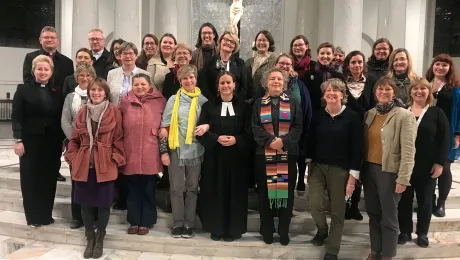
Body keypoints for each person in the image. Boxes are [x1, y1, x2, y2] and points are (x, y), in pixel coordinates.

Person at [65, 78, 125, 259]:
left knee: (103, 204)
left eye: (100, 90)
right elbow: (74, 139)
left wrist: (114, 159)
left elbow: (119, 138)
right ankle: (89, 237)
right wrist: (73, 158)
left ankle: (100, 237)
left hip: (105, 164)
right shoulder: (83, 111)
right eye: (93, 90)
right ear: (89, 92)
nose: (96, 93)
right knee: (85, 203)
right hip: (84, 164)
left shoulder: (114, 112)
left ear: (105, 93)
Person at [307, 78, 362, 260]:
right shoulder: (318, 116)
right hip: (318, 166)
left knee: (338, 211)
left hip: (341, 169)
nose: (331, 93)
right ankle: (322, 231)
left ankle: (333, 249)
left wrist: (353, 177)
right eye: (327, 90)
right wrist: (308, 165)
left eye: (335, 90)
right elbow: (311, 141)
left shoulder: (352, 118)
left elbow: (357, 148)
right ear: (324, 95)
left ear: (342, 95)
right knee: (314, 204)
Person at [363, 76, 417, 260]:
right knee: (373, 213)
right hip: (369, 170)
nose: (383, 92)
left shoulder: (404, 115)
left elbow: (409, 150)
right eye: (380, 89)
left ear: (394, 92)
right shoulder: (370, 114)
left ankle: (388, 255)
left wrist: (403, 178)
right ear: (375, 91)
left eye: (387, 89)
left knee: (389, 216)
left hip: (389, 172)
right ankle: (375, 251)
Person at [197, 71, 252, 242]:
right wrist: (216, 138)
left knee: (235, 194)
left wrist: (237, 139)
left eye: (229, 82)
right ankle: (217, 228)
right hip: (215, 157)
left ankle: (233, 230)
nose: (225, 86)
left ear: (235, 85)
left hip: (237, 158)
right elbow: (200, 132)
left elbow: (250, 133)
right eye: (222, 83)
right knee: (215, 192)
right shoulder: (208, 107)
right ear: (218, 86)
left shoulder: (245, 107)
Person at [252, 68, 302, 246]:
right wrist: (271, 141)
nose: (275, 81)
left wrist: (283, 142)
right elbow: (255, 126)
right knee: (265, 194)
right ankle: (267, 229)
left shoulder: (294, 102)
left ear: (284, 83)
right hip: (263, 155)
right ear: (266, 82)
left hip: (287, 154)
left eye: (279, 79)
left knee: (286, 195)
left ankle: (283, 230)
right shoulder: (258, 103)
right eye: (272, 78)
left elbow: (298, 127)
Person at [13, 55, 65, 227]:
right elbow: (17, 116)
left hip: (52, 143)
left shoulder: (57, 92)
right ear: (33, 70)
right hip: (30, 141)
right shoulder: (23, 89)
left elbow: (60, 117)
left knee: (49, 178)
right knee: (30, 178)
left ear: (51, 72)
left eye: (46, 69)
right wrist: (18, 139)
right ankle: (33, 217)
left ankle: (46, 215)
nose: (43, 72)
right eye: (39, 69)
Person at [397, 79, 449, 248]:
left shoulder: (437, 113)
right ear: (410, 92)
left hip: (427, 166)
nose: (419, 91)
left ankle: (422, 233)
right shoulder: (402, 111)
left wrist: (440, 163)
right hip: (405, 166)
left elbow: (444, 139)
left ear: (429, 92)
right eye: (415, 89)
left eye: (423, 89)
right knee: (404, 200)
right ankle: (404, 231)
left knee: (425, 201)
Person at [160, 64, 208, 239]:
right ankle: (178, 223)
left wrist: (207, 125)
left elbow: (209, 122)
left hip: (196, 150)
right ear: (180, 81)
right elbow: (164, 126)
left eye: (191, 77)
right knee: (176, 189)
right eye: (185, 78)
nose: (189, 81)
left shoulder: (203, 100)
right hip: (176, 149)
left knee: (192, 189)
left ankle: (189, 224)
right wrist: (163, 152)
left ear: (196, 79)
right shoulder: (173, 100)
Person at [22, 26, 73, 182]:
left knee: (55, 142)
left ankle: (54, 169)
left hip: (57, 108)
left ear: (57, 40)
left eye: (52, 37)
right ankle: (36, 168)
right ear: (40, 40)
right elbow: (28, 80)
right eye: (46, 37)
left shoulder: (66, 62)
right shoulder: (30, 57)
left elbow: (68, 84)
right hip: (36, 107)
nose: (49, 40)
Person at [119, 73, 166, 235]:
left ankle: (146, 221)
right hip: (130, 150)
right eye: (136, 85)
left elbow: (165, 124)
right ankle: (134, 221)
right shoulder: (124, 101)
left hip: (150, 150)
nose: (139, 87)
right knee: (132, 189)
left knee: (148, 188)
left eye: (143, 84)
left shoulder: (160, 101)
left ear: (149, 85)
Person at [341, 50, 377, 220]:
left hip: (366, 130)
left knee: (360, 166)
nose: (356, 65)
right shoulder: (341, 82)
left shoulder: (371, 81)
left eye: (359, 62)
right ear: (348, 64)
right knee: (346, 166)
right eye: (353, 62)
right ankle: (345, 204)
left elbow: (376, 105)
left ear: (364, 64)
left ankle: (354, 205)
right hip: (345, 130)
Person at [61, 64, 96, 229]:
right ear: (77, 78)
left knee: (93, 181)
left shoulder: (98, 95)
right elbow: (65, 121)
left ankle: (93, 215)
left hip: (94, 146)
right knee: (77, 181)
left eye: (88, 76)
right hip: (75, 146)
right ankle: (77, 216)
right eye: (81, 75)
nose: (85, 78)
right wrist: (74, 139)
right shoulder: (70, 97)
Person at [425, 53, 460, 217]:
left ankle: (441, 203)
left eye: (444, 65)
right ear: (433, 66)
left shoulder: (454, 88)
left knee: (444, 167)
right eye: (437, 64)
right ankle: (428, 201)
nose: (440, 67)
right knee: (427, 168)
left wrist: (458, 135)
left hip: (447, 133)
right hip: (428, 133)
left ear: (449, 68)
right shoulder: (426, 84)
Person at [273, 54, 312, 191]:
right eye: (281, 63)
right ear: (275, 64)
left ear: (291, 67)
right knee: (273, 174)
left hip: (293, 136)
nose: (284, 66)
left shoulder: (299, 85)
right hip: (271, 138)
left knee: (287, 173)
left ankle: (285, 202)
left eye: (287, 64)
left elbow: (307, 109)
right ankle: (273, 200)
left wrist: (303, 132)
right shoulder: (266, 83)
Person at [199, 31, 248, 102]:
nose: (228, 43)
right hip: (214, 104)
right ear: (220, 41)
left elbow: (244, 86)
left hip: (236, 104)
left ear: (235, 46)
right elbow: (203, 85)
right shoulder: (209, 62)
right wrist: (213, 100)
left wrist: (236, 100)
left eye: (232, 42)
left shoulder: (240, 63)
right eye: (226, 39)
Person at [108, 42, 151, 106]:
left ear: (136, 56)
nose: (128, 56)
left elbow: (149, 97)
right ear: (120, 56)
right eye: (124, 53)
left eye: (131, 53)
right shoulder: (111, 74)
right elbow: (108, 96)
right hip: (115, 112)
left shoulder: (146, 74)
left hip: (137, 113)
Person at [305, 42, 342, 111]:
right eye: (322, 53)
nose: (325, 56)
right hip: (314, 113)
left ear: (333, 56)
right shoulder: (308, 75)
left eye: (328, 53)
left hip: (334, 113)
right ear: (317, 55)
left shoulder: (339, 76)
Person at [246, 30, 277, 100]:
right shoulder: (249, 61)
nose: (261, 42)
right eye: (259, 40)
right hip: (248, 102)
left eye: (264, 40)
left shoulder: (275, 61)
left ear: (270, 43)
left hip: (266, 101)